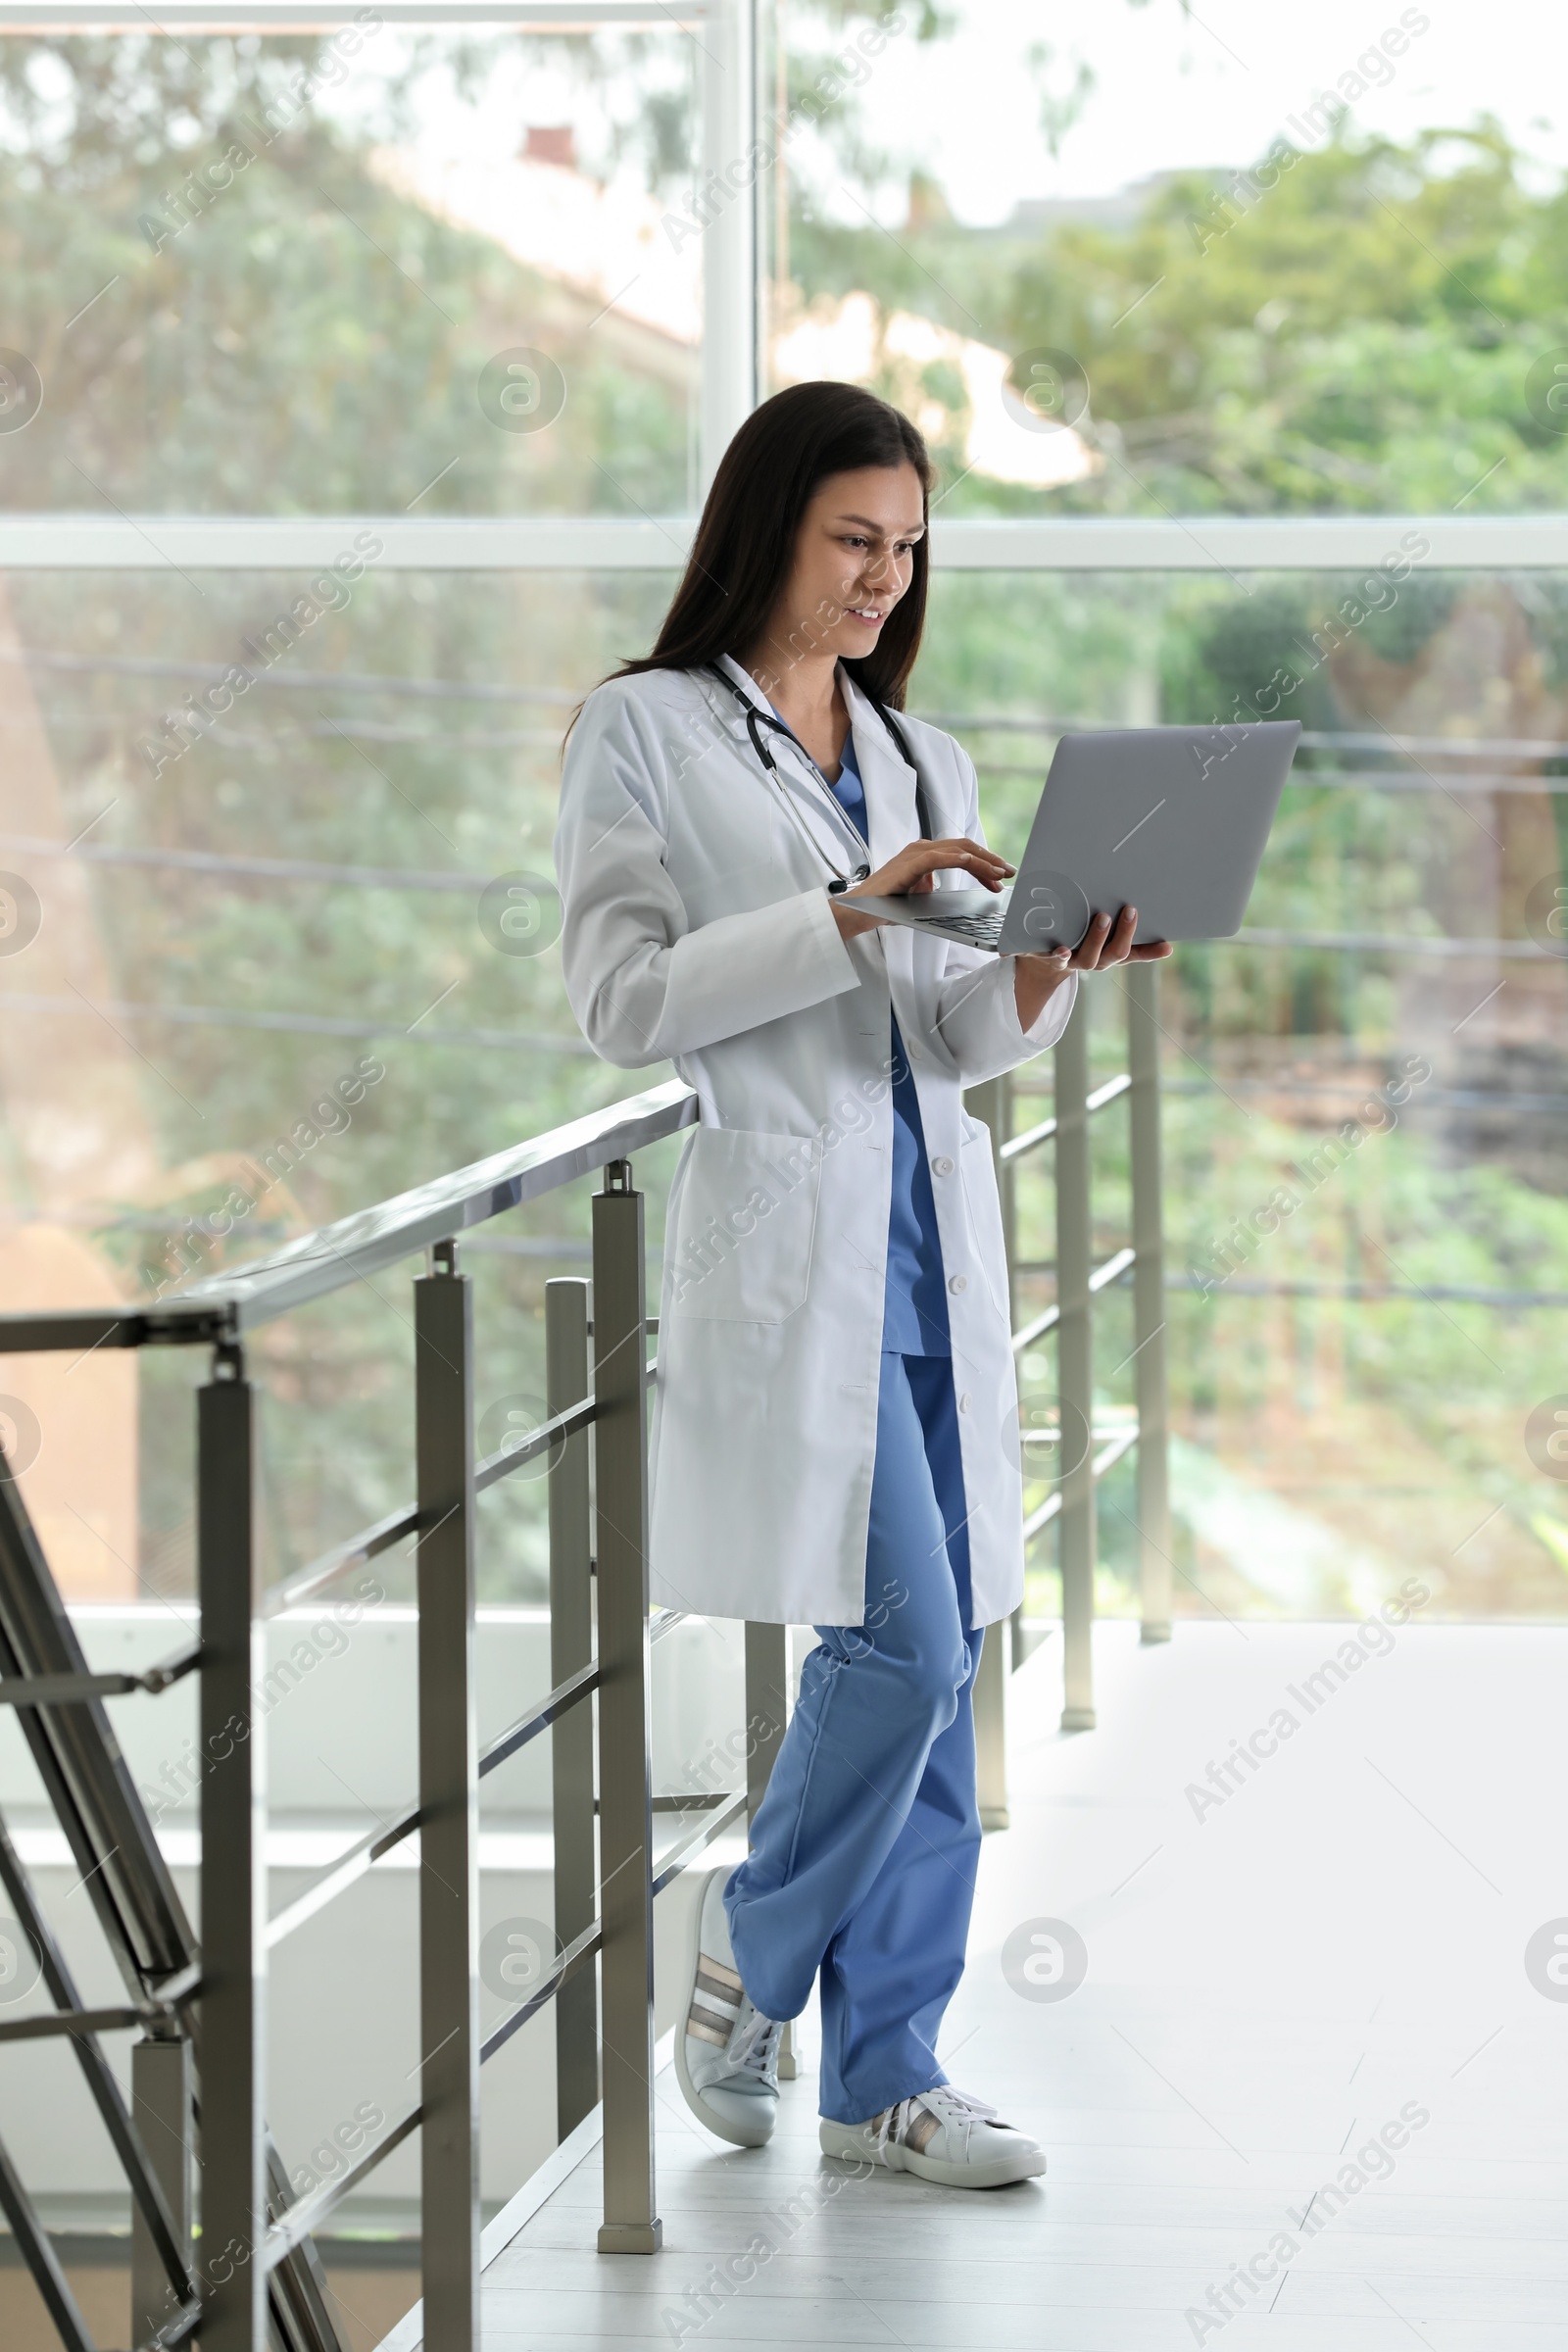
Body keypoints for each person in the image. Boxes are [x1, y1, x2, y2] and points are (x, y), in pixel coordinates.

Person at [555, 380, 1170, 2190]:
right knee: (897, 1647)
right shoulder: (645, 731)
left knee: (944, 1646)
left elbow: (955, 1041)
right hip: (788, 1251)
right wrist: (842, 912)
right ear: (767, 529)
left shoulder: (922, 759)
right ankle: (750, 1948)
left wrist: (1048, 967)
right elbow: (621, 1003)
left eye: (906, 548)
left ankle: (885, 2075)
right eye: (853, 541)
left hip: (930, 1250)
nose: (884, 580)